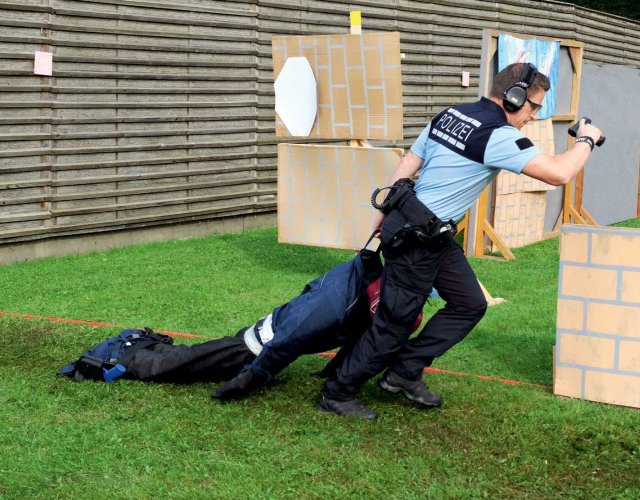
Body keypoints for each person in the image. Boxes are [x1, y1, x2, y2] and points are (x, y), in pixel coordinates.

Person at [317, 62, 604, 420]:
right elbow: (560, 173)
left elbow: (410, 160)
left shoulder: (450, 114)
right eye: (533, 107)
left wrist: (385, 210)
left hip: (425, 231)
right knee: (395, 324)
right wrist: (586, 140)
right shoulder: (498, 137)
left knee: (470, 303)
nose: (533, 116)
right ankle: (337, 393)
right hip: (416, 240)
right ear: (514, 98)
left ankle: (403, 372)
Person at [59, 249, 418, 399]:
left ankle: (140, 346)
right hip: (256, 346)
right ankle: (122, 351)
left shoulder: (368, 276)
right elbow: (286, 342)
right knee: (175, 367)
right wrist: (252, 377)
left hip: (278, 336)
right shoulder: (332, 305)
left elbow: (359, 334)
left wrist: (336, 370)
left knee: (194, 358)